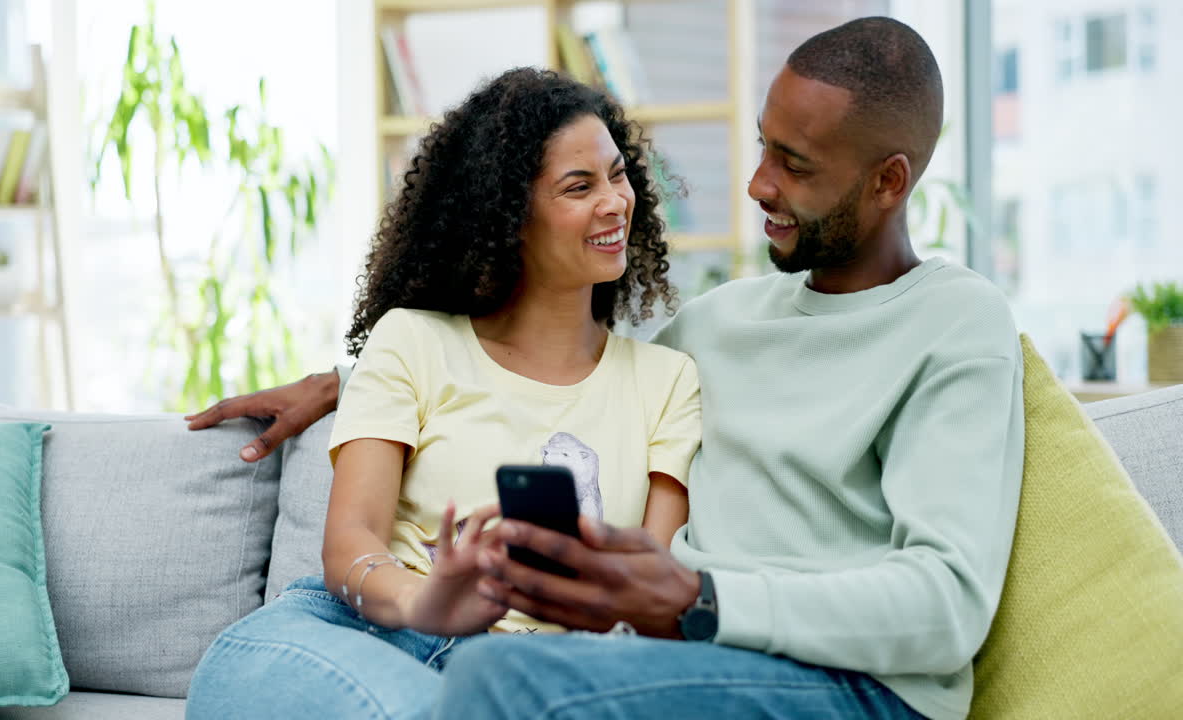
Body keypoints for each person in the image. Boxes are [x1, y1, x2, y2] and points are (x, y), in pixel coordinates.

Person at [190, 17, 1024, 720]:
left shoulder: (956, 320)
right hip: (656, 648)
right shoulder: (717, 326)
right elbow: (538, 371)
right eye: (764, 149)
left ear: (888, 182)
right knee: (251, 662)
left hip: (838, 679)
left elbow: (948, 602)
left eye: (794, 165)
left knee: (498, 677)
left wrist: (696, 599)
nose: (757, 184)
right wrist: (346, 383)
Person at [183, 67, 702, 719]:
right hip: (381, 633)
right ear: (509, 216)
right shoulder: (412, 341)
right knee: (237, 664)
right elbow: (350, 541)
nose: (615, 202)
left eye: (618, 175)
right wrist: (427, 601)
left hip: (541, 671)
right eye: (579, 186)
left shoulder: (666, 381)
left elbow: (650, 597)